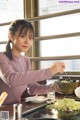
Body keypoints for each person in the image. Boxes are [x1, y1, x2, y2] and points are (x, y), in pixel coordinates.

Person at [0, 19, 65, 105]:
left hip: (15, 108)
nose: (27, 41)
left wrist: (52, 87)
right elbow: (12, 80)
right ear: (11, 36)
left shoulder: (26, 60)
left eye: (30, 38)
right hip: (2, 110)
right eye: (23, 36)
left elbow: (32, 88)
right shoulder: (1, 57)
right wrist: (49, 71)